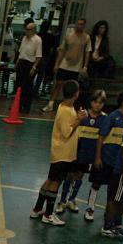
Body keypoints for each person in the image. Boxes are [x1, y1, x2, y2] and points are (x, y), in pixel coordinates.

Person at [30, 80, 84, 227]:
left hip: (60, 151)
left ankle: (37, 209)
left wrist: (77, 116)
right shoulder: (66, 110)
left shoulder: (64, 106)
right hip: (63, 153)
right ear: (76, 94)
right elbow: (67, 132)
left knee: (49, 180)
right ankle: (48, 214)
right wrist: (79, 120)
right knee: (55, 182)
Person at [97, 88, 123, 238]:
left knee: (122, 196)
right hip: (110, 161)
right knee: (112, 196)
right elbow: (101, 137)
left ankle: (117, 222)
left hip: (122, 162)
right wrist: (98, 157)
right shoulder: (112, 117)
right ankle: (107, 225)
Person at [67, 89, 107, 219]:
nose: (97, 105)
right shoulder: (83, 115)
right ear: (91, 102)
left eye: (101, 103)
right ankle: (62, 201)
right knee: (69, 176)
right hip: (76, 152)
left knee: (79, 176)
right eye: (95, 102)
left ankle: (72, 199)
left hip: (90, 156)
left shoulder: (104, 119)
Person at [43, 17, 90, 113]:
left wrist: (85, 66)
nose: (79, 26)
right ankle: (50, 104)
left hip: (76, 66)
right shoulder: (69, 35)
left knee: (72, 87)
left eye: (81, 24)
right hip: (65, 64)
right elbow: (62, 50)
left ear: (84, 26)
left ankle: (68, 106)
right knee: (58, 84)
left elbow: (87, 52)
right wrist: (57, 64)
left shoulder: (86, 38)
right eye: (78, 24)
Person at [15, 21, 42, 114]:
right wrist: (17, 62)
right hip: (21, 63)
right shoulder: (24, 38)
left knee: (27, 87)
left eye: (29, 30)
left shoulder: (37, 40)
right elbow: (20, 52)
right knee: (18, 85)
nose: (26, 31)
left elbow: (38, 56)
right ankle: (18, 105)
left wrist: (34, 67)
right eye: (26, 29)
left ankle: (26, 107)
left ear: (33, 30)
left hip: (30, 64)